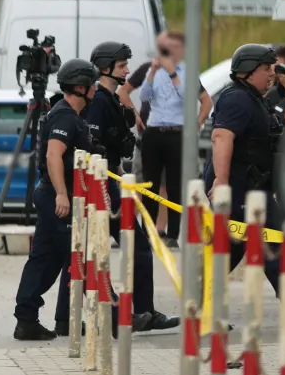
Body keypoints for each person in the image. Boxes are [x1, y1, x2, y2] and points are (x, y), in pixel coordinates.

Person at [203, 44, 285, 317]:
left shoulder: (254, 98)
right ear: (248, 71)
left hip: (253, 186)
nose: (272, 74)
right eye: (266, 69)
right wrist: (221, 182)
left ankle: (201, 300)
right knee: (272, 239)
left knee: (236, 248)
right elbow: (221, 137)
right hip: (239, 187)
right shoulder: (237, 99)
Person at [85, 42, 177, 333]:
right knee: (101, 251)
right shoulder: (98, 101)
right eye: (122, 65)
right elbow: (92, 146)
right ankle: (118, 313)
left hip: (113, 182)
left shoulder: (112, 100)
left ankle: (143, 312)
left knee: (136, 247)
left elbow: (115, 147)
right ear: (105, 67)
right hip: (99, 185)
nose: (127, 69)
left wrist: (122, 174)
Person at [14, 59, 99, 341]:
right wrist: (62, 194)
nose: (96, 88)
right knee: (81, 257)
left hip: (53, 194)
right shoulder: (65, 116)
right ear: (81, 87)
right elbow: (53, 155)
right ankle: (115, 316)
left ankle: (28, 319)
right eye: (92, 84)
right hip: (57, 195)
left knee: (46, 260)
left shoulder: (69, 114)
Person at [130, 32, 211, 235]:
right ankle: (148, 231)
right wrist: (152, 72)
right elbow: (144, 96)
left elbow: (187, 97)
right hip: (154, 130)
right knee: (150, 184)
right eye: (167, 47)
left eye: (174, 47)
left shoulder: (188, 72)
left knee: (174, 185)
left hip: (177, 132)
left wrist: (172, 73)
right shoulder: (154, 69)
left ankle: (173, 233)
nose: (169, 51)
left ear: (182, 50)